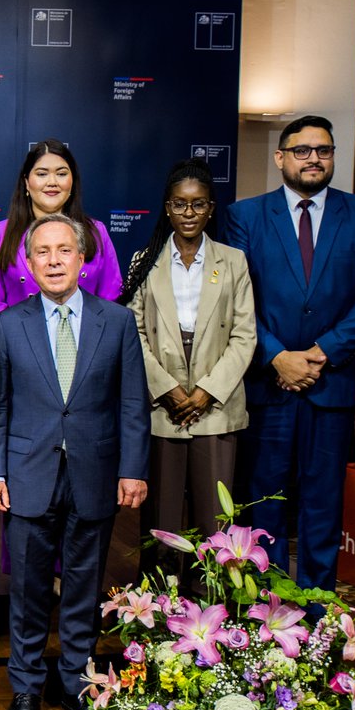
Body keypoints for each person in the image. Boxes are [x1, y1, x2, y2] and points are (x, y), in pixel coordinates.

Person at [0, 214, 149, 710]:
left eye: (64, 251)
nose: (54, 261)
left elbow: (132, 403)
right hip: (28, 476)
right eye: (43, 253)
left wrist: (133, 468)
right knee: (29, 589)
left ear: (83, 259)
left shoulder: (116, 321)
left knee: (82, 586)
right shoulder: (9, 324)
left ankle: (78, 681)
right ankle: (26, 689)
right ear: (28, 265)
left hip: (95, 474)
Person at [223, 115, 355, 593]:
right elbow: (237, 301)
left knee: (323, 503)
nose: (314, 158)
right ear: (281, 158)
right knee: (264, 502)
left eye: (324, 149)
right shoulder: (245, 216)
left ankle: (317, 606)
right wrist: (277, 356)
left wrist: (320, 353)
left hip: (331, 384)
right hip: (267, 384)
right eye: (302, 150)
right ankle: (265, 608)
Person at [120, 159, 255, 573]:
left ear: (211, 208)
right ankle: (160, 610)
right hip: (164, 408)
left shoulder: (233, 261)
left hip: (216, 408)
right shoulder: (145, 260)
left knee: (214, 519)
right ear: (167, 208)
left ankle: (211, 612)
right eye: (180, 205)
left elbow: (245, 335)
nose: (189, 214)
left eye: (198, 205)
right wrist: (167, 389)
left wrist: (206, 392)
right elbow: (134, 333)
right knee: (159, 521)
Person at [0, 138, 122, 318]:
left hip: (87, 340)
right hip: (19, 341)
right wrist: (13, 336)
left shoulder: (96, 232)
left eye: (61, 174)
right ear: (27, 182)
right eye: (42, 174)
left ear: (72, 182)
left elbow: (111, 296)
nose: (52, 182)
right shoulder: (0, 234)